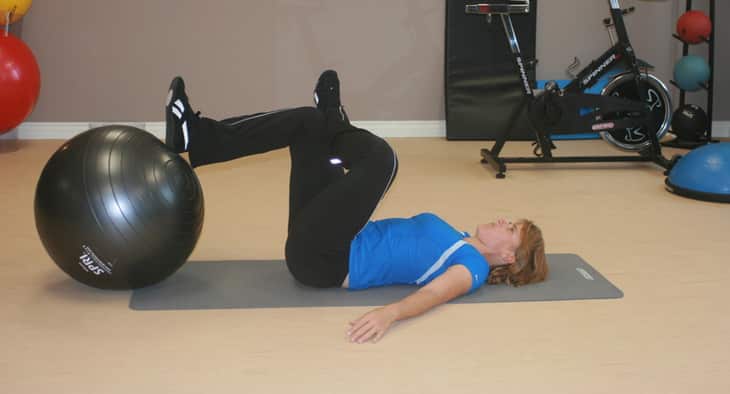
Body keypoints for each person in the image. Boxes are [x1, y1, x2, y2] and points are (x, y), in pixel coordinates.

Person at [164, 70, 548, 344]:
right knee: (306, 122)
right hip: (325, 237)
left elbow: (433, 296)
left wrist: (389, 314)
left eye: (511, 228)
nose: (503, 220)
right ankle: (199, 137)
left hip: (328, 259)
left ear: (509, 258)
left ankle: (338, 123)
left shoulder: (473, 267)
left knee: (385, 161)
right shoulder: (461, 239)